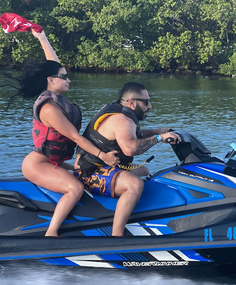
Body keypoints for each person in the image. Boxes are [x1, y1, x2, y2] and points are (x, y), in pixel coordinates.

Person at [12, 30, 119, 236]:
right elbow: (75, 138)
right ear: (50, 80)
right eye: (64, 77)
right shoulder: (50, 109)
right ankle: (51, 233)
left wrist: (43, 38)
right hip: (38, 164)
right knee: (75, 188)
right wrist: (103, 156)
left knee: (85, 177)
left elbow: (53, 64)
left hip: (55, 162)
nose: (68, 80)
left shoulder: (55, 96)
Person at [75, 82, 181, 236]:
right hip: (89, 172)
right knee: (135, 184)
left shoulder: (123, 116)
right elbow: (130, 149)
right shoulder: (122, 119)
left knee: (144, 171)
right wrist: (159, 138)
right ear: (132, 102)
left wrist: (159, 131)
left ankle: (138, 217)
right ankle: (117, 236)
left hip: (102, 167)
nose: (150, 106)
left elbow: (132, 133)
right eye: (146, 102)